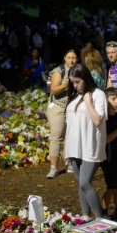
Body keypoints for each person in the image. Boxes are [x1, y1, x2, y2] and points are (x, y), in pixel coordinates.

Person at [64, 63, 108, 219]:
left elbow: (98, 120)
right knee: (81, 185)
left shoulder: (98, 95)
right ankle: (85, 215)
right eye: (73, 82)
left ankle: (100, 218)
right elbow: (69, 124)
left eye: (78, 82)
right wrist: (65, 149)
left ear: (85, 78)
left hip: (90, 146)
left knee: (85, 183)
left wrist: (88, 102)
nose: (75, 86)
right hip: (74, 147)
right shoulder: (74, 96)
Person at [46, 49, 78, 178]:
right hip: (57, 107)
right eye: (69, 57)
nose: (71, 60)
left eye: (74, 58)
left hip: (72, 108)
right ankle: (53, 168)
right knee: (56, 137)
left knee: (69, 137)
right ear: (64, 58)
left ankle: (69, 163)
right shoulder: (58, 71)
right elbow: (54, 90)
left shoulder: (78, 71)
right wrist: (66, 84)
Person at [101, 87, 117, 219]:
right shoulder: (105, 119)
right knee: (111, 186)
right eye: (113, 99)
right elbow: (106, 139)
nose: (116, 101)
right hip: (109, 156)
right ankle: (103, 211)